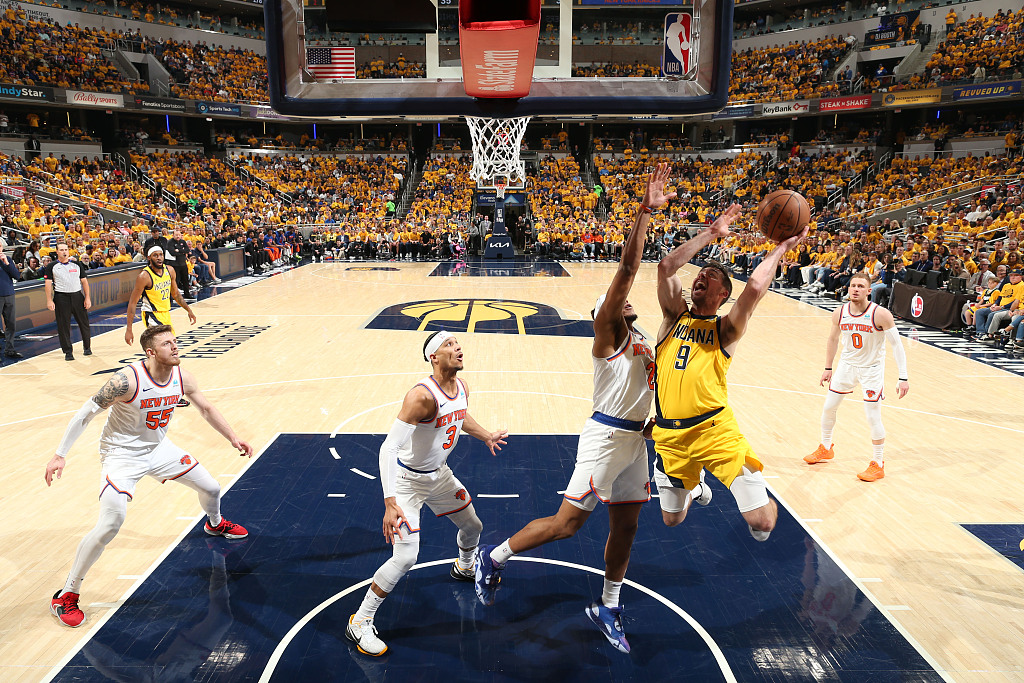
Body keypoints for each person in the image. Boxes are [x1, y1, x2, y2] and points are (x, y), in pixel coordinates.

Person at [474, 164, 682, 654]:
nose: (627, 304)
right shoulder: (607, 335)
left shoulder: (646, 340)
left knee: (627, 526)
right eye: (617, 302)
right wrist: (645, 213)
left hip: (635, 439)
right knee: (568, 525)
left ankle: (608, 605)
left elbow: (672, 307)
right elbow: (629, 271)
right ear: (605, 313)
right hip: (606, 437)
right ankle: (495, 556)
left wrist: (708, 236)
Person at [44, 324, 253, 628]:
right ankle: (66, 595)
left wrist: (233, 438)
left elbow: (206, 408)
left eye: (175, 341)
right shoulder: (126, 380)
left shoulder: (182, 377)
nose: (175, 347)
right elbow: (86, 413)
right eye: (168, 344)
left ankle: (215, 523)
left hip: (158, 449)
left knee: (211, 486)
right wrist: (60, 454)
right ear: (151, 352)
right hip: (121, 456)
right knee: (111, 523)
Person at [346, 331, 508, 657]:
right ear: (433, 357)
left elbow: (460, 418)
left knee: (473, 527)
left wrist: (486, 434)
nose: (457, 347)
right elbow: (388, 447)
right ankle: (360, 621)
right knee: (405, 556)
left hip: (440, 477)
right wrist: (390, 502)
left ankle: (464, 566)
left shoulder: (461, 387)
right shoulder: (421, 397)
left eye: (457, 343)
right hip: (407, 483)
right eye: (448, 345)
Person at [652, 206, 807, 542]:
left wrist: (781, 248)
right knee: (671, 520)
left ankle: (760, 499)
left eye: (711, 276)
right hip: (670, 437)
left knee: (762, 523)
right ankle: (696, 489)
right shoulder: (672, 317)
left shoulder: (725, 330)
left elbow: (753, 289)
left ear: (723, 294)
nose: (701, 276)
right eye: (700, 273)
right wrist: (711, 233)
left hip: (715, 431)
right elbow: (665, 267)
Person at [805, 272, 910, 482]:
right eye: (853, 285)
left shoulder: (880, 314)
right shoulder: (839, 312)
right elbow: (832, 340)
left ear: (869, 290)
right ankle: (826, 447)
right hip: (847, 365)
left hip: (871, 369)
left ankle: (878, 464)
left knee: (872, 416)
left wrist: (903, 377)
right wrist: (828, 367)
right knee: (828, 407)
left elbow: (897, 345)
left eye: (861, 286)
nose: (855, 289)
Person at [44, 243, 92, 361]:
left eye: (66, 249)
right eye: (61, 250)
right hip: (61, 297)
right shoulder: (52, 266)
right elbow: (48, 284)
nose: (64, 252)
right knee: (63, 325)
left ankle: (87, 347)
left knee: (84, 323)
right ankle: (68, 352)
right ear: (57, 252)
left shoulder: (77, 264)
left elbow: (84, 282)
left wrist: (87, 297)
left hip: (77, 296)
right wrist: (49, 300)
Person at [0, 249, 22, 359]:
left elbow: (17, 276)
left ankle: (10, 350)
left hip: (9, 294)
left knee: (11, 324)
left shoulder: (7, 259)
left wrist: (7, 263)